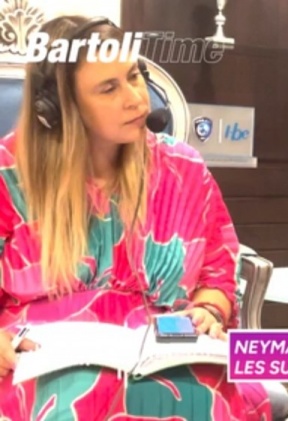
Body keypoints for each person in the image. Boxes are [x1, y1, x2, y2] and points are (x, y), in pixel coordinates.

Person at [0, 16, 272, 420]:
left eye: (133, 76)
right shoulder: (8, 174)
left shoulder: (184, 167)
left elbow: (218, 274)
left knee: (202, 397)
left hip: (169, 358)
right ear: (55, 109)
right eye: (109, 88)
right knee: (84, 399)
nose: (136, 99)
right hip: (42, 363)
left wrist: (209, 310)